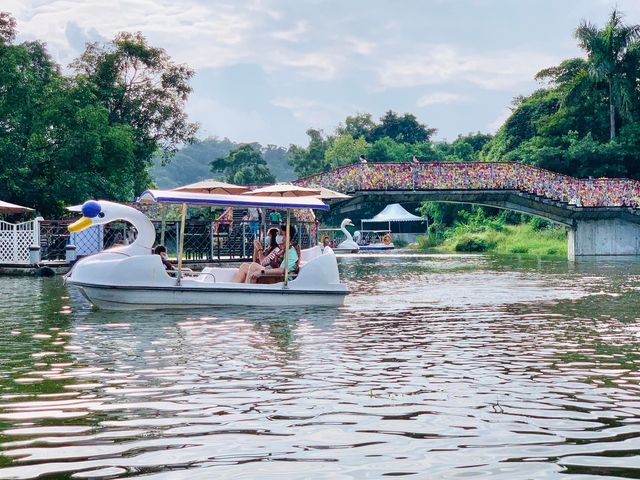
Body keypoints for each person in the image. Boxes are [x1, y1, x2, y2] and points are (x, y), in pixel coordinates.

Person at [232, 226, 298, 283]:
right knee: (244, 266)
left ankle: (246, 292)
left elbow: (281, 270)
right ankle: (233, 289)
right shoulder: (281, 249)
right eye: (278, 234)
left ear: (288, 237)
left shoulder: (290, 252)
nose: (278, 236)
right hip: (274, 274)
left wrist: (261, 272)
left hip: (282, 279)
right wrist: (256, 248)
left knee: (253, 267)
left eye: (281, 234)